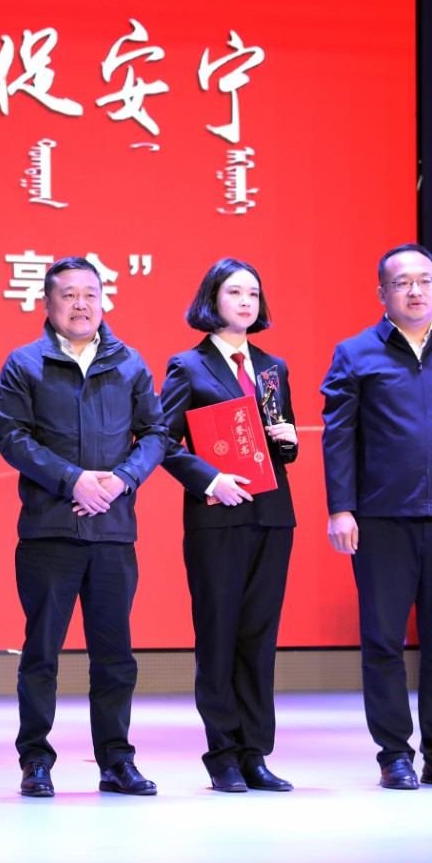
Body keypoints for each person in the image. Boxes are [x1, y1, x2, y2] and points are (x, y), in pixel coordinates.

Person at [321, 242, 432, 790]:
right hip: (382, 519)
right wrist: (341, 508)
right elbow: (339, 439)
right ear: (382, 293)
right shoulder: (355, 353)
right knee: (383, 643)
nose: (415, 291)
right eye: (402, 283)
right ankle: (394, 755)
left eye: (424, 281)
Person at [0, 256, 170, 799]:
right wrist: (72, 479)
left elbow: (156, 433)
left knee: (115, 656)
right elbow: (11, 437)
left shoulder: (129, 362)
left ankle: (116, 760)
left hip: (113, 531)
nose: (81, 304)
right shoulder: (25, 363)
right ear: (46, 303)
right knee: (41, 655)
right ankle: (35, 760)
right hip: (49, 531)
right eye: (68, 294)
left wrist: (122, 480)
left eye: (90, 294)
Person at [158, 258, 299, 793]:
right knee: (218, 634)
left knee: (259, 637)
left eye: (253, 294)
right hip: (217, 517)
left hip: (272, 515)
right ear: (212, 299)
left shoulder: (272, 367)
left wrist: (288, 440)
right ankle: (222, 755)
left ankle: (255, 753)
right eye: (235, 292)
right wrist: (210, 479)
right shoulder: (187, 366)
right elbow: (163, 441)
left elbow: (280, 440)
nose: (246, 302)